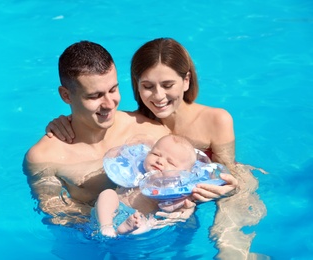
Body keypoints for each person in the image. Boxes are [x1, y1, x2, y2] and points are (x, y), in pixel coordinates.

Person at [46, 38, 266, 258]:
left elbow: (229, 171)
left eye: (168, 85)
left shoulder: (216, 120)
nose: (158, 96)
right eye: (147, 87)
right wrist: (67, 120)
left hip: (219, 190)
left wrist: (228, 188)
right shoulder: (143, 123)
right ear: (136, 85)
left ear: (186, 80)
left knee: (226, 238)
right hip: (166, 202)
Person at [24, 40, 196, 227]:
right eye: (95, 96)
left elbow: (195, 174)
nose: (109, 104)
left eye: (113, 90)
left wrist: (189, 204)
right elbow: (54, 211)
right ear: (66, 96)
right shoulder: (44, 157)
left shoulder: (150, 131)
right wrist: (116, 219)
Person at [95, 134, 197, 237]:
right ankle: (106, 226)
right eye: (156, 154)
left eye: (170, 162)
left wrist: (181, 207)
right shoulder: (135, 169)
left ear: (183, 174)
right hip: (112, 209)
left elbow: (174, 209)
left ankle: (125, 230)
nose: (159, 161)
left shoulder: (175, 190)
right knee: (108, 193)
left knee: (149, 223)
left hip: (138, 218)